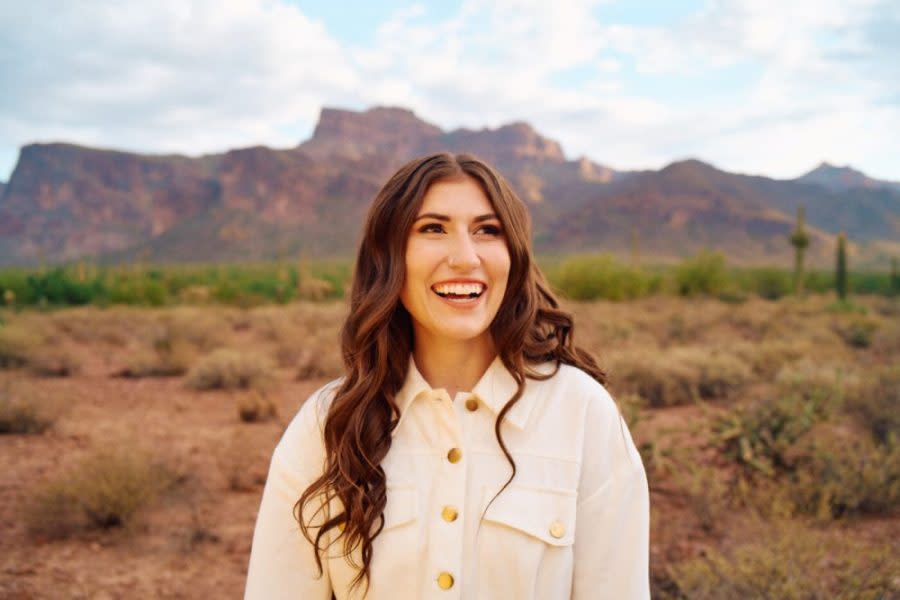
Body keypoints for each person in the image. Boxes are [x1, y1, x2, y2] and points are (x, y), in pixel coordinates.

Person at [244, 153, 649, 599]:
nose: (465, 257)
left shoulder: (581, 412)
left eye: (487, 230)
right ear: (389, 257)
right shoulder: (326, 425)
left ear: (513, 255)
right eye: (433, 229)